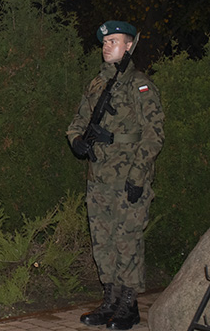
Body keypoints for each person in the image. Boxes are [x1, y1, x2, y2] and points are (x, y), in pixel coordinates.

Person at [67, 21, 165, 330]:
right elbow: (78, 121)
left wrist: (138, 177)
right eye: (105, 41)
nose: (107, 45)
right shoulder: (96, 85)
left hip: (127, 178)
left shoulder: (140, 85)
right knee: (103, 242)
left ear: (130, 45)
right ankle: (109, 299)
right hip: (98, 178)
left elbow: (154, 136)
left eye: (115, 41)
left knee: (127, 241)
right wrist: (77, 141)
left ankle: (128, 304)